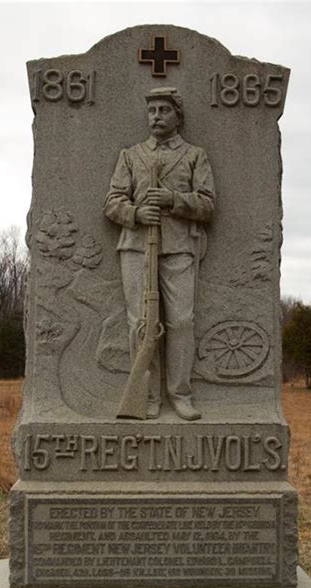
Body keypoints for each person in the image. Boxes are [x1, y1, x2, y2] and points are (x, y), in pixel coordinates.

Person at [103, 87, 215, 420]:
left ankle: (180, 394)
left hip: (179, 247)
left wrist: (173, 200)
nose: (156, 116)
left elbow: (208, 204)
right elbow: (112, 202)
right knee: (141, 322)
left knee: (181, 321)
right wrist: (135, 214)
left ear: (177, 115)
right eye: (151, 110)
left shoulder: (195, 155)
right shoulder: (131, 155)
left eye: (164, 110)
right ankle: (147, 396)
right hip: (137, 247)